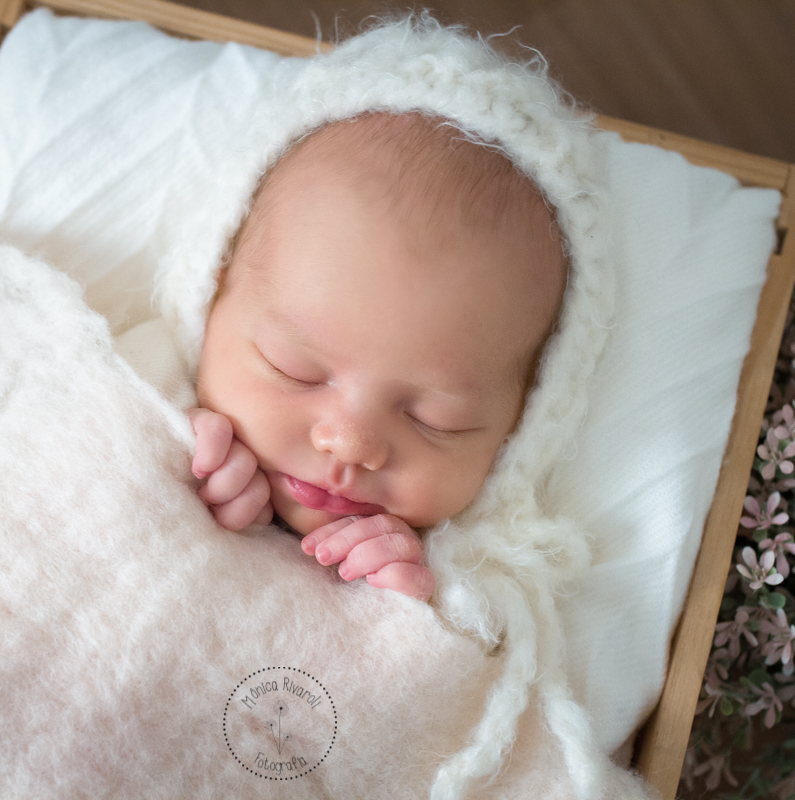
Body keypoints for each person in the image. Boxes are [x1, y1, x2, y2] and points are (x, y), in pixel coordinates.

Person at [187, 111, 567, 603]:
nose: (350, 444)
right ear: (211, 294)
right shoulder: (130, 376)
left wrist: (415, 600)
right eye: (295, 370)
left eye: (434, 421)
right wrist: (171, 451)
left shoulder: (480, 571)